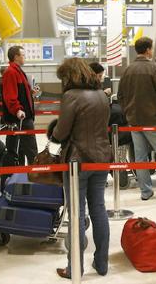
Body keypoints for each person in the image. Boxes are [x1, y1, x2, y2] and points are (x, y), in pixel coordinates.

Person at [50, 58, 111, 279]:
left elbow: (61, 132)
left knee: (76, 214)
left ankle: (75, 268)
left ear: (69, 76)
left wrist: (52, 135)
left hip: (78, 162)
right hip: (102, 158)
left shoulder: (71, 96)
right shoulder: (102, 95)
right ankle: (102, 264)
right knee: (99, 209)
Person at [118, 36, 156, 200]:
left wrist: (128, 113)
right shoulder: (155, 68)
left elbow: (121, 96)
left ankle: (146, 191)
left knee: (140, 157)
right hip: (154, 121)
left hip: (134, 122)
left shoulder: (127, 70)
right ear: (149, 49)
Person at [2, 46, 38, 166]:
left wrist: (30, 92)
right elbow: (10, 95)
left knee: (23, 149)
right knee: (30, 149)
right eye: (23, 55)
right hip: (20, 118)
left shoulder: (18, 71)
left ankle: (24, 174)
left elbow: (19, 92)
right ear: (16, 57)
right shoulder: (11, 72)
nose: (25, 57)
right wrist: (17, 109)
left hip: (24, 117)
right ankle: (35, 174)